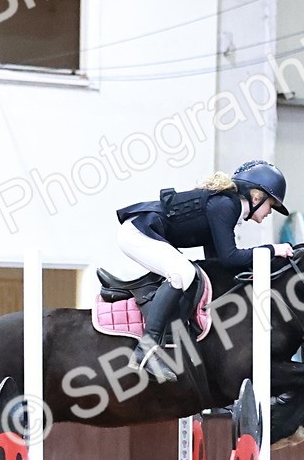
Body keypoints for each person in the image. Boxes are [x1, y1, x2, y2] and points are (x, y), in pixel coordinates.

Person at [113, 160, 294, 384]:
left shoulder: (227, 207)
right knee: (183, 273)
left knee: (189, 273)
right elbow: (230, 257)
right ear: (257, 197)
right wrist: (272, 250)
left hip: (142, 231)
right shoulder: (226, 205)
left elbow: (218, 262)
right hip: (137, 233)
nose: (270, 212)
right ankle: (146, 350)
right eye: (271, 205)